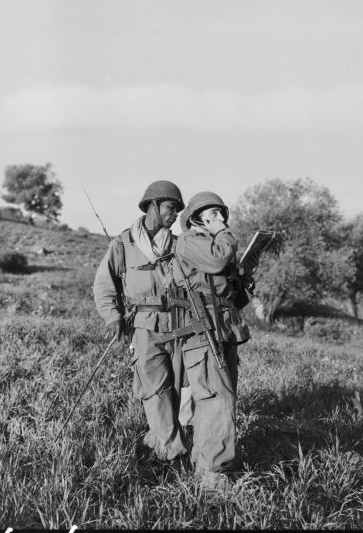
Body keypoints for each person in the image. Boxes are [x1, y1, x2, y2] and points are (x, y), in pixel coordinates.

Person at [93, 180, 187, 461]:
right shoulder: (122, 244)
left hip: (180, 322)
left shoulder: (180, 245)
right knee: (154, 388)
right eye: (171, 207)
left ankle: (160, 439)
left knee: (179, 388)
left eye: (179, 210)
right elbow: (104, 285)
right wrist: (113, 317)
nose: (175, 214)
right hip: (144, 325)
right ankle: (171, 453)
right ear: (153, 205)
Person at [171, 191, 251, 492]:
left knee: (218, 400)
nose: (219, 219)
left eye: (220, 213)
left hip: (223, 330)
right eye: (211, 214)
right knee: (217, 401)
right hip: (203, 332)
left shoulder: (215, 243)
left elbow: (228, 290)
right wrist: (225, 235)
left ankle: (206, 465)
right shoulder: (190, 241)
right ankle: (212, 474)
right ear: (195, 219)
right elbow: (216, 262)